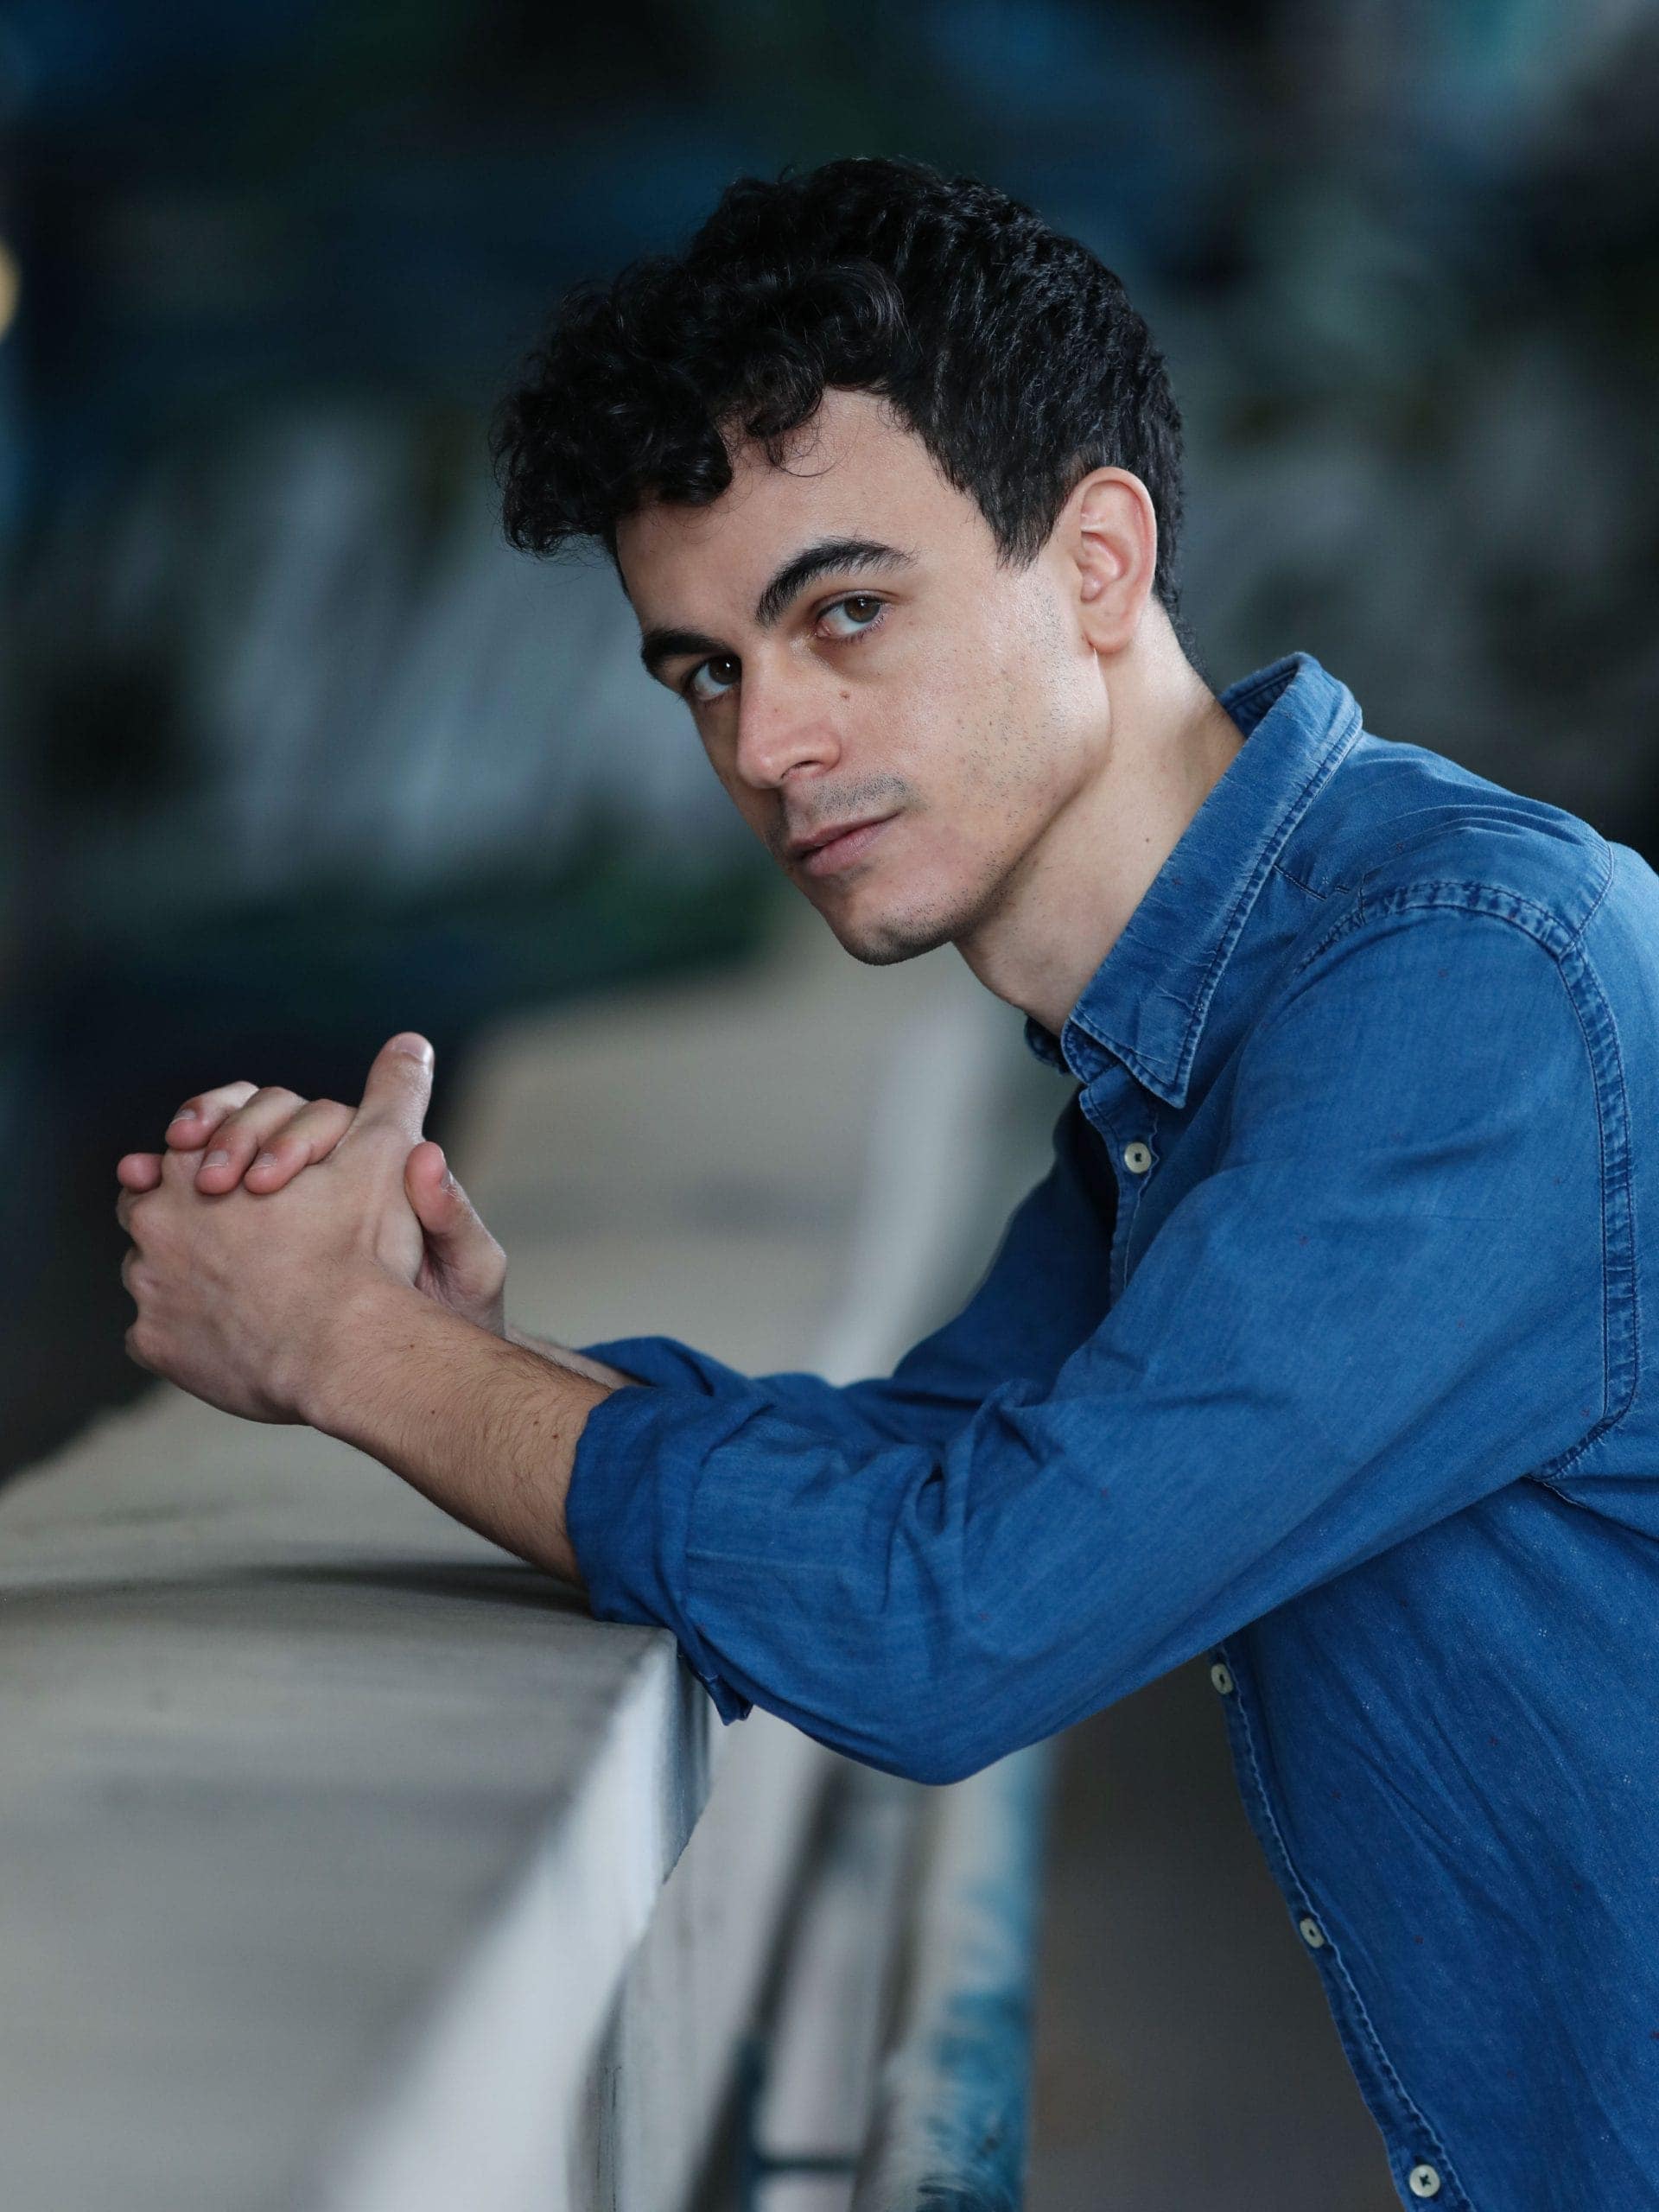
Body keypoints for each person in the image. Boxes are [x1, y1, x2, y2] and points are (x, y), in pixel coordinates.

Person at [115, 157, 1659, 2208]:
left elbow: (959, 1619)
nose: (769, 744)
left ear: (1097, 559)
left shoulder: (1459, 989)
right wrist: (463, 1354)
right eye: (706, 669)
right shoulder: (1206, 1029)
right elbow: (924, 1475)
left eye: (845, 613)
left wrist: (343, 1347)